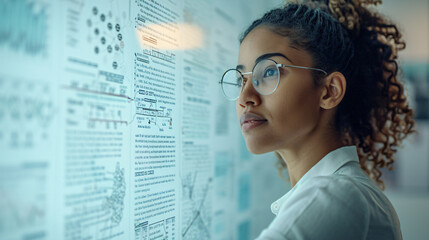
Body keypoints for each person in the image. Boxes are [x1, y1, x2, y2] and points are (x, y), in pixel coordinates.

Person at [219, 0, 415, 239]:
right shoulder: (347, 191)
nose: (244, 97)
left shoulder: (337, 194)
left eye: (269, 72)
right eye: (242, 80)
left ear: (329, 91)